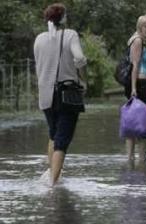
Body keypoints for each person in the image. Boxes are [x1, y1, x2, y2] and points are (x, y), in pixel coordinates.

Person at [34, 3, 87, 186]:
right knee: (62, 140)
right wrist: (83, 78)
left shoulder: (39, 38)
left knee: (54, 134)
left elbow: (39, 66)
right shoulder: (70, 34)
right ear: (63, 18)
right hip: (67, 94)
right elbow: (79, 58)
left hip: (45, 94)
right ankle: (53, 185)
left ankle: (52, 174)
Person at [124, 14, 146, 161]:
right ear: (139, 27)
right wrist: (134, 89)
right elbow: (135, 66)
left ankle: (132, 159)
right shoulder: (137, 41)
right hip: (140, 86)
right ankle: (141, 159)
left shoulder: (139, 40)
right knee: (143, 124)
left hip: (141, 85)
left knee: (134, 122)